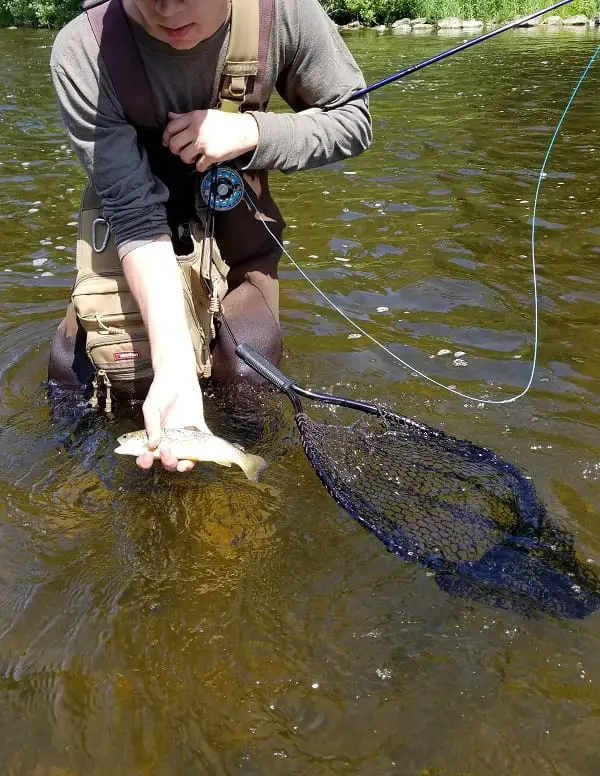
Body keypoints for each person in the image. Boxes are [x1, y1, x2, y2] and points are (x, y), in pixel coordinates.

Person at [49, 0, 372, 473]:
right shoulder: (83, 49)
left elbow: (353, 122)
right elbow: (134, 216)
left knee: (249, 370)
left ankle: (242, 502)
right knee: (73, 372)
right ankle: (76, 495)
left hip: (236, 234)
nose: (168, 9)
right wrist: (174, 368)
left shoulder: (285, 14)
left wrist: (253, 131)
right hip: (133, 233)